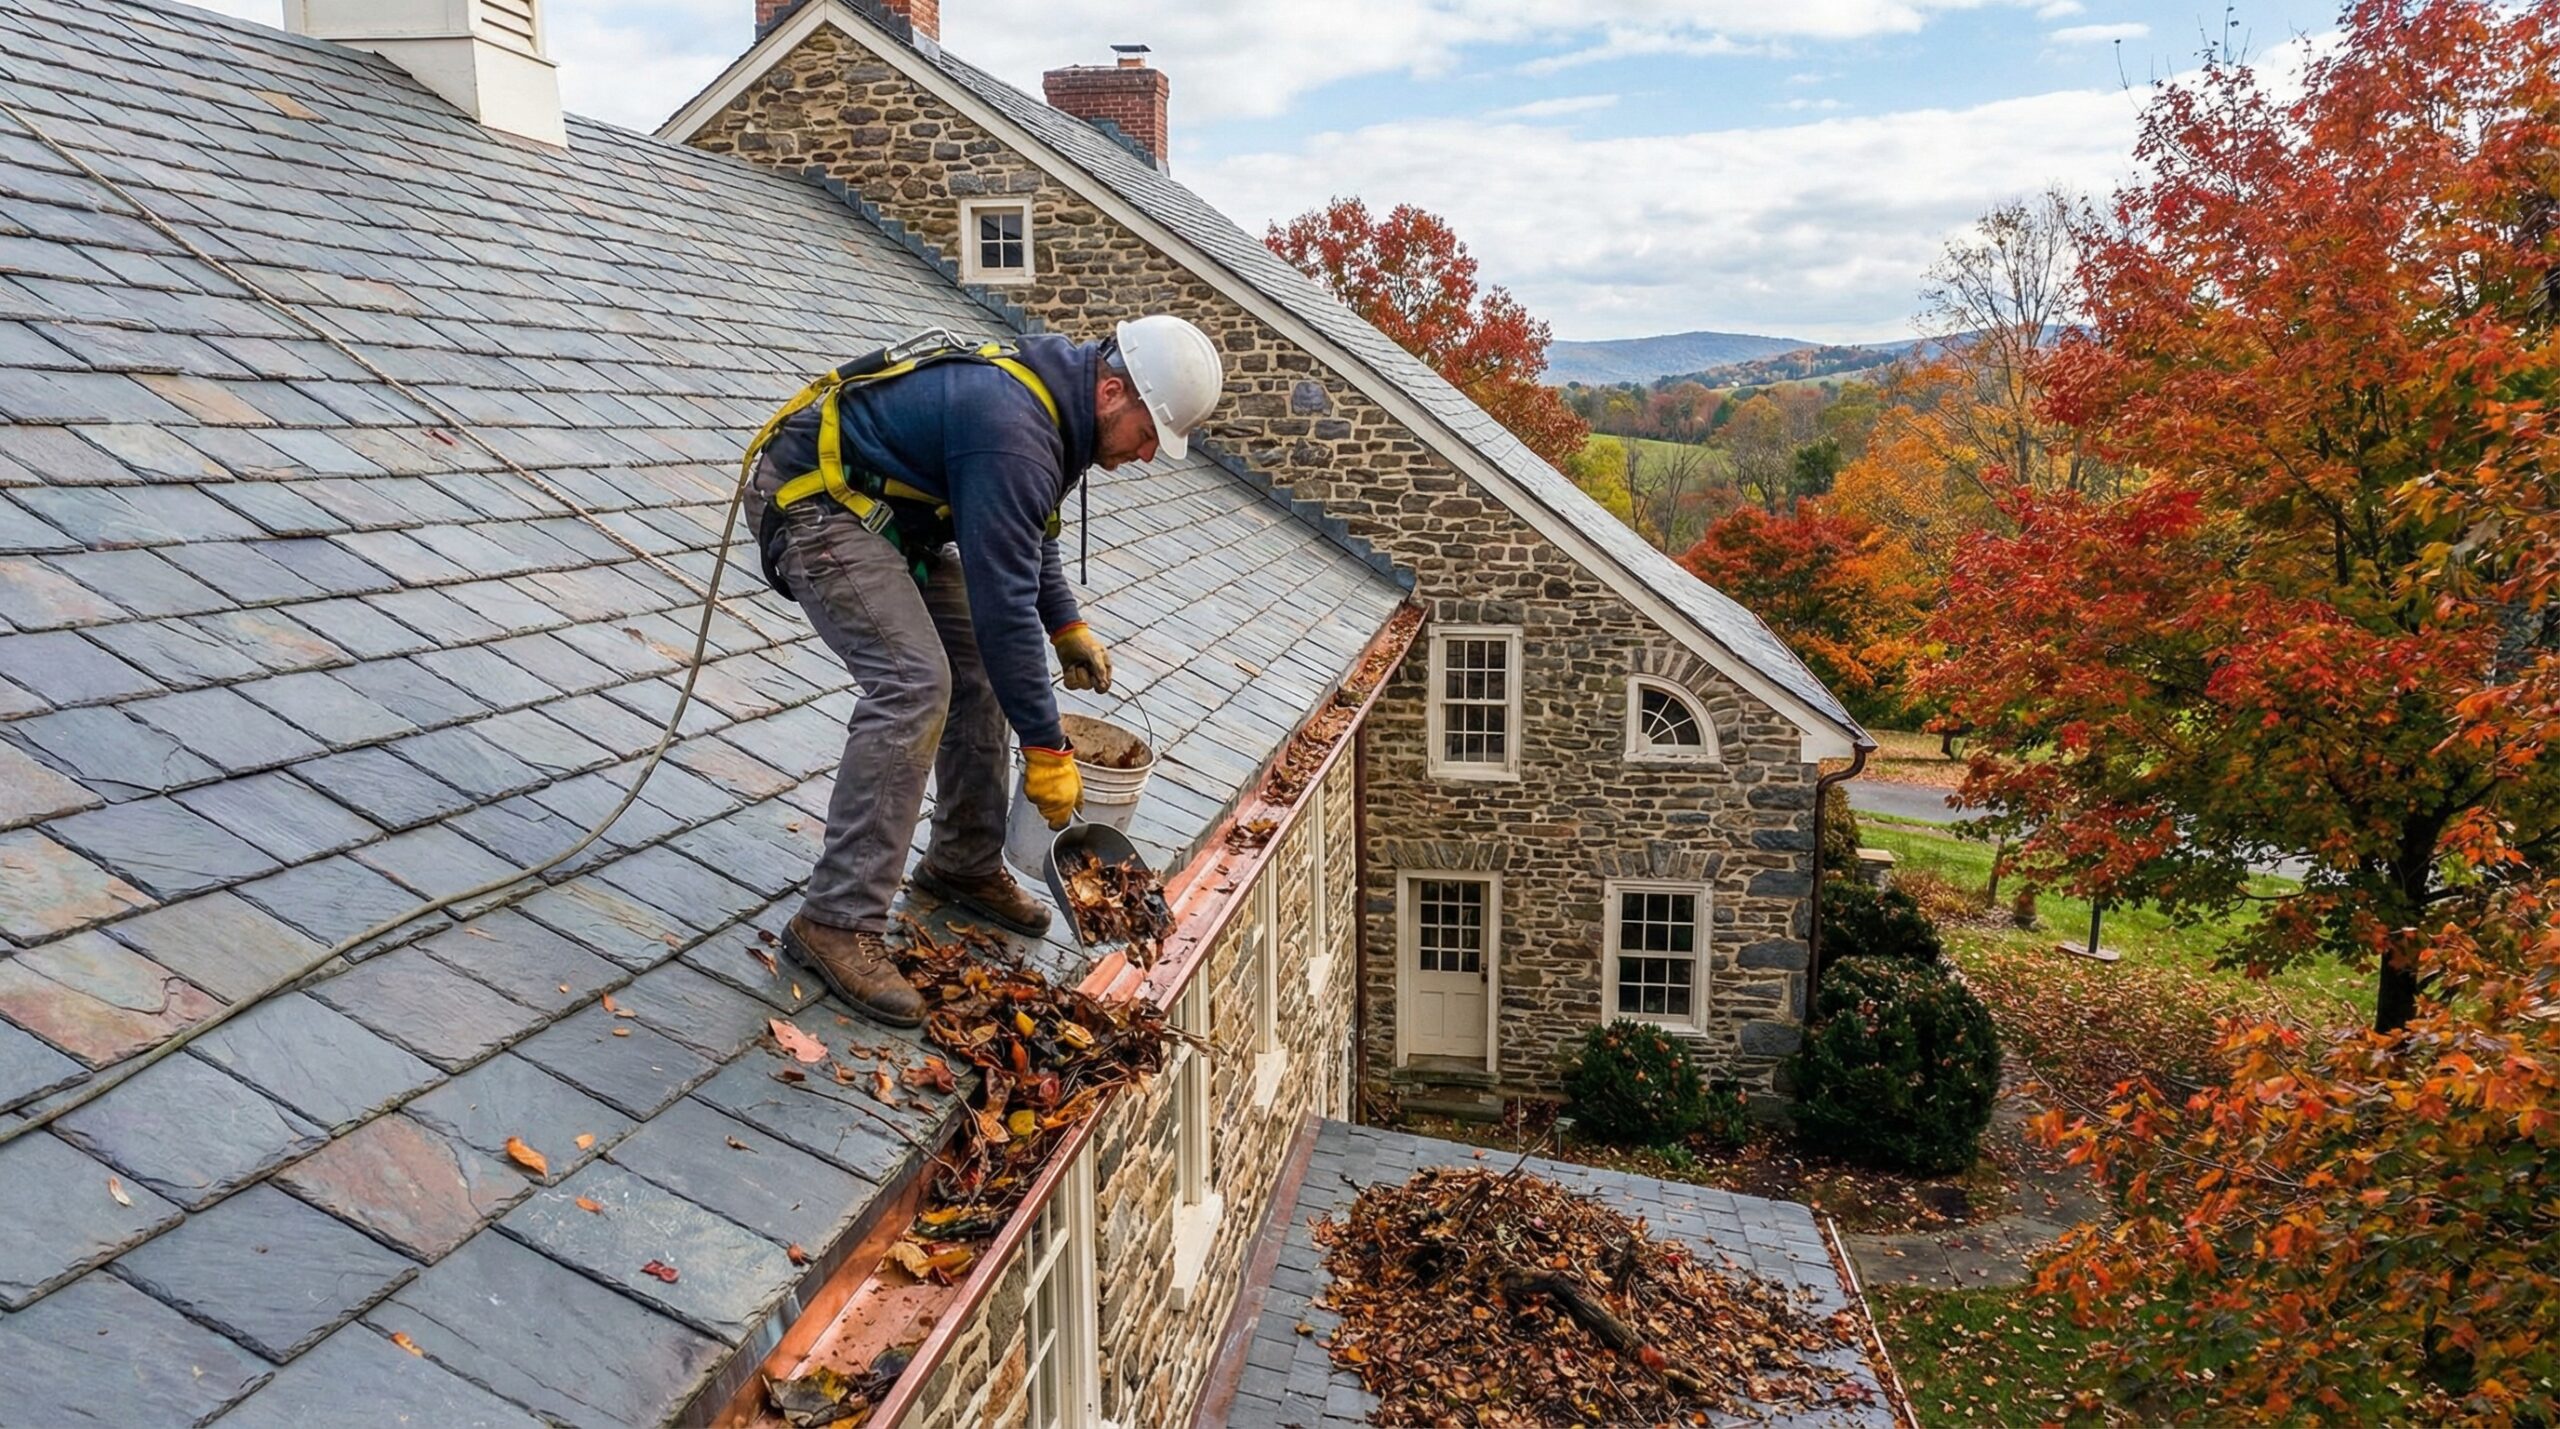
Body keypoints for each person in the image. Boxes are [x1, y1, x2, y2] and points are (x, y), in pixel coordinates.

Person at [743, 316, 1223, 1026]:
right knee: (914, 683)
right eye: (1149, 433)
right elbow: (1004, 605)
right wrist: (1048, 749)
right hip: (817, 502)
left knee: (973, 660)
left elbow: (1029, 531)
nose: (1149, 454)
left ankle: (963, 862)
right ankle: (836, 919)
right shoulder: (1014, 426)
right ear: (1112, 392)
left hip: (889, 518)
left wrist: (1066, 625)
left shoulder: (1058, 410)